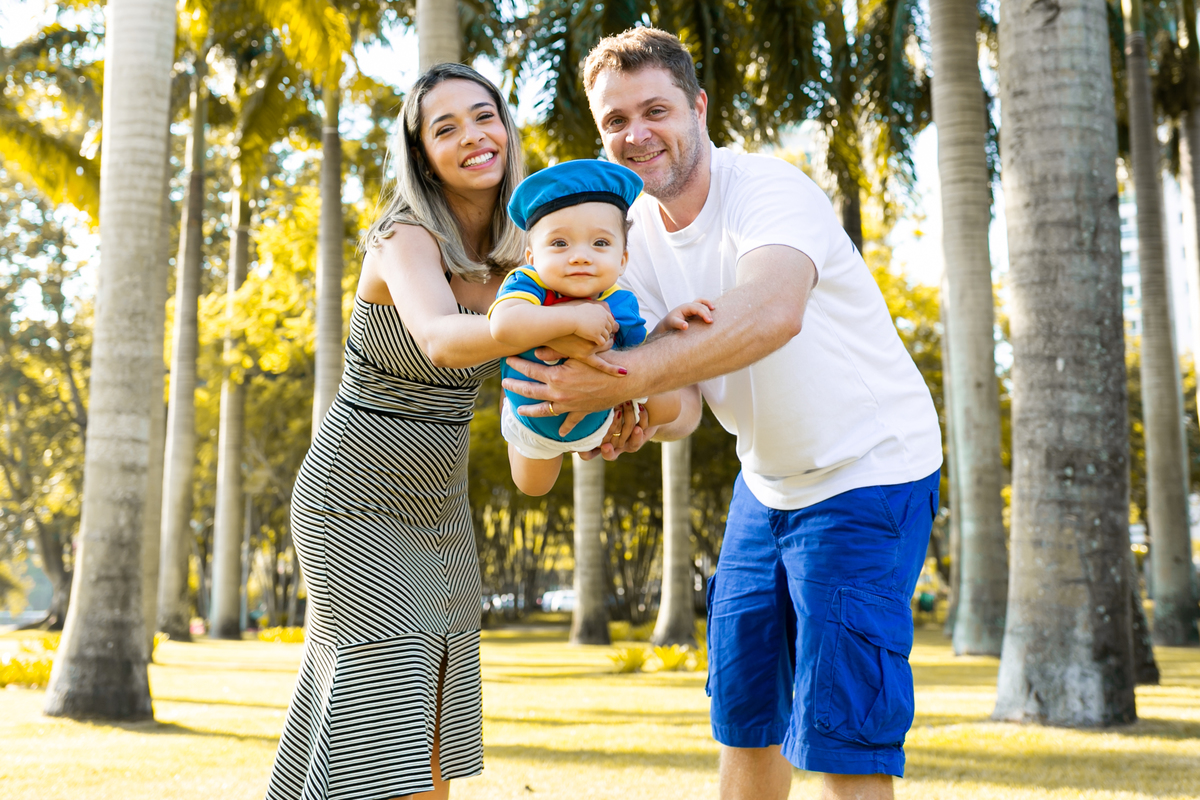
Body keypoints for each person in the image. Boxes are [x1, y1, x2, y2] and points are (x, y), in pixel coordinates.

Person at [501, 28, 943, 800]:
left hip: (868, 472)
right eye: (614, 120)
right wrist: (626, 413)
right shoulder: (623, 242)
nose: (635, 134)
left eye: (655, 110)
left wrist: (619, 378)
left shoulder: (767, 189)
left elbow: (771, 313)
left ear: (698, 107)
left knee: (844, 743)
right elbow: (683, 407)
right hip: (767, 483)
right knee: (743, 720)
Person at [262, 63, 607, 800]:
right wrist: (568, 320)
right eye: (444, 128)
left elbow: (596, 336)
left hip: (441, 511)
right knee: (384, 721)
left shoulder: (526, 258)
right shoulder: (403, 237)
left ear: (507, 128)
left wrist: (631, 358)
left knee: (432, 736)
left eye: (484, 117)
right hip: (352, 507)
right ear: (422, 154)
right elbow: (444, 339)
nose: (472, 137)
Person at [489, 158, 712, 495]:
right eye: (560, 244)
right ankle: (524, 432)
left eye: (600, 243)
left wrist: (664, 329)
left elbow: (642, 358)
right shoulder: (528, 285)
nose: (580, 256)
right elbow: (503, 326)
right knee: (533, 487)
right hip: (531, 416)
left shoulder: (620, 302)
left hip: (603, 419)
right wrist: (574, 318)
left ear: (622, 258)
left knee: (670, 403)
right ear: (533, 258)